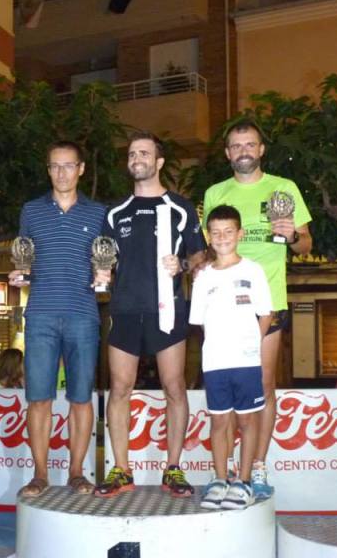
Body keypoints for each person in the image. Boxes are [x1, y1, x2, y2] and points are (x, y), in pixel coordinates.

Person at [203, 118, 312, 498]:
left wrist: (293, 234)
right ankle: (227, 470)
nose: (243, 151)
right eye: (236, 146)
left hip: (267, 306)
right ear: (228, 152)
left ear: (261, 149)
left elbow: (305, 246)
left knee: (263, 387)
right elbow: (208, 247)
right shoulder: (216, 192)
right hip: (223, 312)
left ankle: (259, 466)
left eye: (250, 144)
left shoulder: (284, 188)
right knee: (226, 391)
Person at [95, 131, 206, 498]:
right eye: (131, 154)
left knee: (174, 388)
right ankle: (121, 470)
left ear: (158, 162)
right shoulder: (114, 213)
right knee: (119, 389)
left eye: (144, 153)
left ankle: (173, 469)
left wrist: (185, 265)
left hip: (168, 310)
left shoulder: (181, 208)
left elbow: (200, 256)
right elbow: (103, 260)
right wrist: (102, 274)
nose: (136, 158)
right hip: (125, 309)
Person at [9, 141, 107, 496]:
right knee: (39, 398)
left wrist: (107, 276)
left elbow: (106, 261)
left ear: (81, 169)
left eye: (69, 166)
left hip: (83, 315)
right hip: (41, 316)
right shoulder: (31, 211)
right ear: (48, 169)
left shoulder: (99, 213)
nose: (62, 172)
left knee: (81, 399)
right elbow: (26, 259)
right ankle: (40, 474)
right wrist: (21, 275)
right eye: (55, 166)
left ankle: (77, 473)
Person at [189, 205, 272, 509]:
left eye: (228, 231)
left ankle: (245, 481)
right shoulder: (203, 277)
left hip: (247, 362)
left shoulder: (253, 270)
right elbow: (199, 320)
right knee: (219, 422)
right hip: (215, 363)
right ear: (209, 237)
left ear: (240, 234)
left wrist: (252, 343)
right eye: (216, 232)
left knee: (247, 421)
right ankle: (221, 479)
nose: (222, 237)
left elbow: (266, 313)